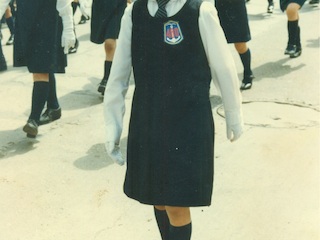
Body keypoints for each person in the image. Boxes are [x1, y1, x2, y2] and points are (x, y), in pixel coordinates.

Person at [103, 0, 244, 239]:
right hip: (148, 120)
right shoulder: (134, 12)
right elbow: (118, 74)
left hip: (188, 121)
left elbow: (224, 67)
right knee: (158, 201)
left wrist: (234, 115)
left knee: (177, 205)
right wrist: (112, 127)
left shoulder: (200, 10)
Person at [0, 0, 75, 138]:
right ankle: (54, 107)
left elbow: (64, 2)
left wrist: (69, 28)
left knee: (40, 70)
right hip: (26, 22)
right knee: (41, 67)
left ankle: (33, 120)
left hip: (48, 22)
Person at [90, 0, 127, 95]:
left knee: (109, 43)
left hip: (118, 5)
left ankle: (107, 78)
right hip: (100, 5)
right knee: (104, 38)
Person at [216, 0, 254, 90]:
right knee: (216, 44)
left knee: (240, 44)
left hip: (236, 7)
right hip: (219, 7)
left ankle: (248, 73)